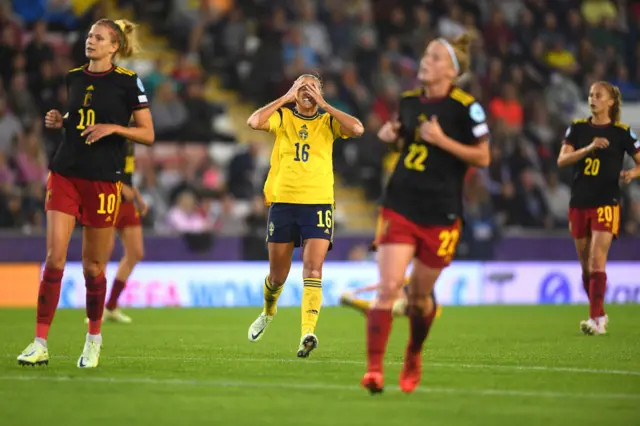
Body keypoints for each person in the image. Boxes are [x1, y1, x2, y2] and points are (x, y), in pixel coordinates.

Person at [17, 19, 154, 368]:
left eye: (99, 38)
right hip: (65, 173)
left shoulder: (128, 81)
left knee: (93, 267)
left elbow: (148, 133)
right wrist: (61, 119)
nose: (91, 41)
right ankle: (39, 342)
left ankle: (93, 339)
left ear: (114, 47)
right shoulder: (74, 77)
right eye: (90, 35)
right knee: (54, 258)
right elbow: (80, 113)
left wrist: (113, 128)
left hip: (104, 180)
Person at [362, 33, 491, 394]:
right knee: (388, 288)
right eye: (425, 55)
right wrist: (390, 135)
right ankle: (374, 370)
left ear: (451, 70)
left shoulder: (467, 108)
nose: (425, 61)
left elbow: (483, 157)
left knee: (419, 299)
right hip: (400, 203)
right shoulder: (407, 101)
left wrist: (443, 140)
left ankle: (413, 354)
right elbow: (404, 140)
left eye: (434, 58)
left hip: (441, 212)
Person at [245, 73, 364, 357]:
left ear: (321, 92)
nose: (307, 91)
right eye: (302, 86)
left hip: (319, 204)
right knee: (277, 276)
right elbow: (254, 122)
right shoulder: (284, 117)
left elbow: (358, 129)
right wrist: (286, 98)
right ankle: (268, 311)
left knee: (313, 268)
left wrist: (325, 104)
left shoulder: (328, 121)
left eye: (313, 87)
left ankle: (307, 332)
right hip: (283, 203)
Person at [557, 81, 640, 336]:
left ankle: (594, 321)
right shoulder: (578, 128)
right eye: (591, 94)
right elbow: (562, 160)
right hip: (579, 203)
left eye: (598, 95)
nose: (592, 99)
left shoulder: (622, 133)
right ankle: (600, 313)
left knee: (596, 262)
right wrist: (590, 147)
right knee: (585, 268)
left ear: (610, 102)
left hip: (607, 203)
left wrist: (633, 173)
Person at [85, 140, 148, 324]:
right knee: (104, 253)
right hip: (108, 198)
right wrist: (120, 187)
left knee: (136, 253)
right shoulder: (109, 134)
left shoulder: (129, 139)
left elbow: (125, 173)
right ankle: (95, 309)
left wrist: (135, 194)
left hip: (126, 203)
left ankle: (111, 306)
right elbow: (98, 168)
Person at [340, 277, 443, 319]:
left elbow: (378, 286)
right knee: (381, 308)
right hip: (416, 306)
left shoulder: (406, 282)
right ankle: (354, 302)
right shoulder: (410, 281)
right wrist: (357, 291)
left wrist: (356, 291)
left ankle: (353, 301)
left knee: (380, 308)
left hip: (414, 304)